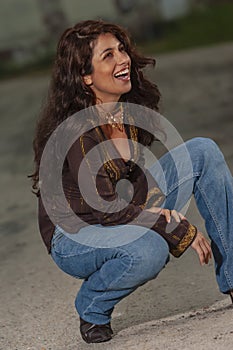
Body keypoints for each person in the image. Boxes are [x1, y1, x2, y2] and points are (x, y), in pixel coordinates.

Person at [30, 20, 233, 344]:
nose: (123, 59)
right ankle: (92, 306)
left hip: (112, 213)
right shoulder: (76, 132)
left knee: (202, 151)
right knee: (148, 250)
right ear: (85, 77)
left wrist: (154, 210)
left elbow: (138, 182)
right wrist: (175, 227)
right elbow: (106, 211)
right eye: (108, 56)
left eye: (121, 49)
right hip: (75, 236)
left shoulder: (125, 113)